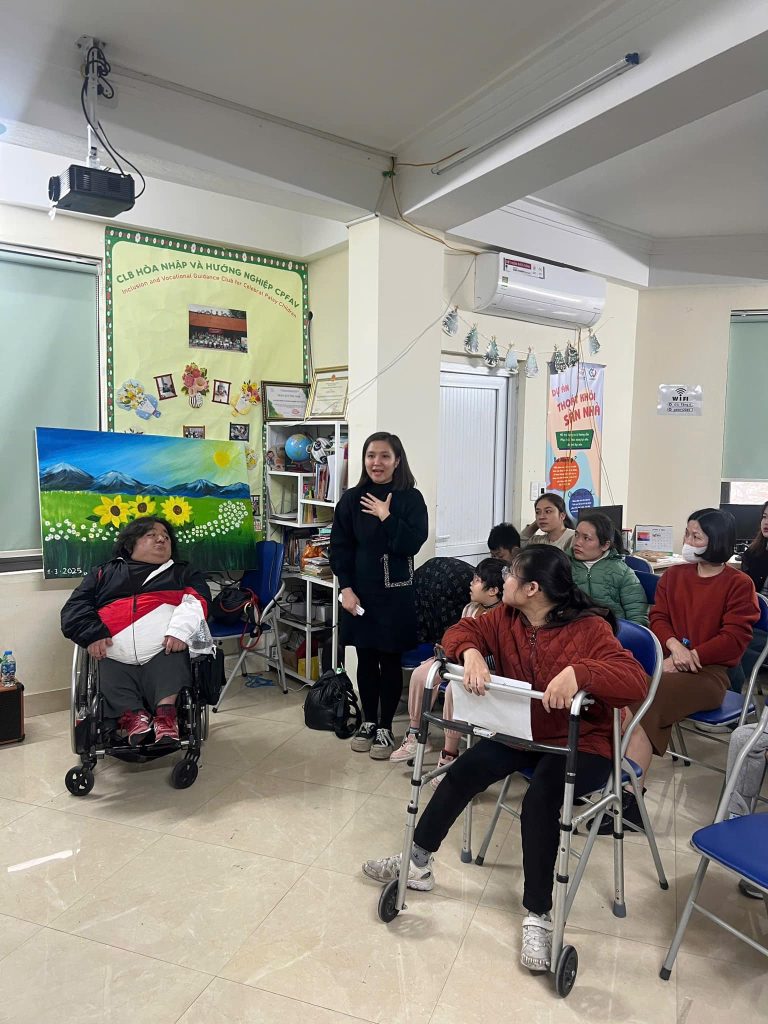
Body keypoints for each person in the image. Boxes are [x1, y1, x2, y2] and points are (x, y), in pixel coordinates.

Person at [363, 546, 648, 972]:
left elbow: (634, 681)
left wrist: (580, 673)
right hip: (522, 732)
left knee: (540, 800)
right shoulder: (506, 617)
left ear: (532, 589)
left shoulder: (589, 628)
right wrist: (471, 653)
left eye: (511, 574)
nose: (503, 580)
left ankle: (538, 913)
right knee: (462, 772)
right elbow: (459, 631)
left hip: (583, 742)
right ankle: (417, 863)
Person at [620, 508, 760, 830]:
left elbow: (734, 640)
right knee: (632, 693)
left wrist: (691, 655)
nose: (687, 540)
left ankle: (627, 795)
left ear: (717, 541)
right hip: (670, 662)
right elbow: (659, 618)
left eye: (696, 536)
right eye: (687, 533)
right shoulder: (674, 576)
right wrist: (675, 647)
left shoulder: (739, 584)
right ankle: (625, 793)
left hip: (710, 675)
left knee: (643, 699)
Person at [61, 517, 211, 745]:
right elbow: (75, 607)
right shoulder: (103, 573)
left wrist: (180, 631)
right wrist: (92, 634)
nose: (161, 539)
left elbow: (198, 601)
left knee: (174, 653)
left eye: (166, 537)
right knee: (104, 659)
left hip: (164, 649)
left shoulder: (183, 572)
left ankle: (166, 717)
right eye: (151, 535)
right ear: (131, 543)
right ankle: (132, 717)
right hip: (112, 650)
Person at [330, 432, 428, 759]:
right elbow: (340, 548)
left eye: (385, 456)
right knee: (366, 658)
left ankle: (386, 727)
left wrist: (387, 516)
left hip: (395, 595)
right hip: (359, 594)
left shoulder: (410, 499)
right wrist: (346, 588)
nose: (377, 462)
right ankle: (369, 722)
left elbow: (410, 544)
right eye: (371, 455)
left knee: (389, 659)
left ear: (397, 461)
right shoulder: (351, 499)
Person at [390, 557, 506, 779]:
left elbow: (498, 657)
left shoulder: (503, 616)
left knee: (455, 688)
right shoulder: (470, 608)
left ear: (493, 591)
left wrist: (471, 658)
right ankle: (415, 733)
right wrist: (446, 651)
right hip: (456, 661)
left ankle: (450, 753)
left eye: (477, 580)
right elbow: (456, 635)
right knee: (421, 674)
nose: (471, 583)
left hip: (483, 671)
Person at [570, 511, 649, 625]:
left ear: (605, 545)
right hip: (574, 630)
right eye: (576, 535)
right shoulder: (563, 566)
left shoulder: (622, 572)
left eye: (586, 538)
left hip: (614, 631)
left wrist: (627, 635)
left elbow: (637, 615)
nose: (577, 542)